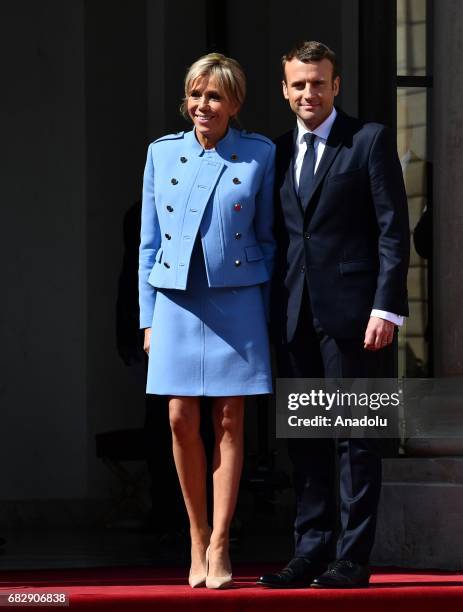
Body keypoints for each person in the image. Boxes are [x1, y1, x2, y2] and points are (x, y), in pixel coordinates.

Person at [258, 41, 409, 589]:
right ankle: (310, 551)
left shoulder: (368, 140)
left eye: (318, 83)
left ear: (336, 85)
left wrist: (387, 307)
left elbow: (394, 230)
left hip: (356, 318)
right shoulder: (274, 153)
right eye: (298, 84)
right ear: (284, 88)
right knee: (306, 439)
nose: (308, 93)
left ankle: (352, 558)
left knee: (355, 438)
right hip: (294, 314)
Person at [138, 53, 275, 589]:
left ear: (234, 103)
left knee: (229, 420)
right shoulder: (160, 154)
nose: (203, 106)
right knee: (178, 418)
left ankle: (221, 543)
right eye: (195, 95)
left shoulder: (259, 154)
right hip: (173, 301)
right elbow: (147, 243)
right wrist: (147, 320)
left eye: (214, 96)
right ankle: (194, 536)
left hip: (236, 299)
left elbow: (268, 238)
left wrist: (263, 313)